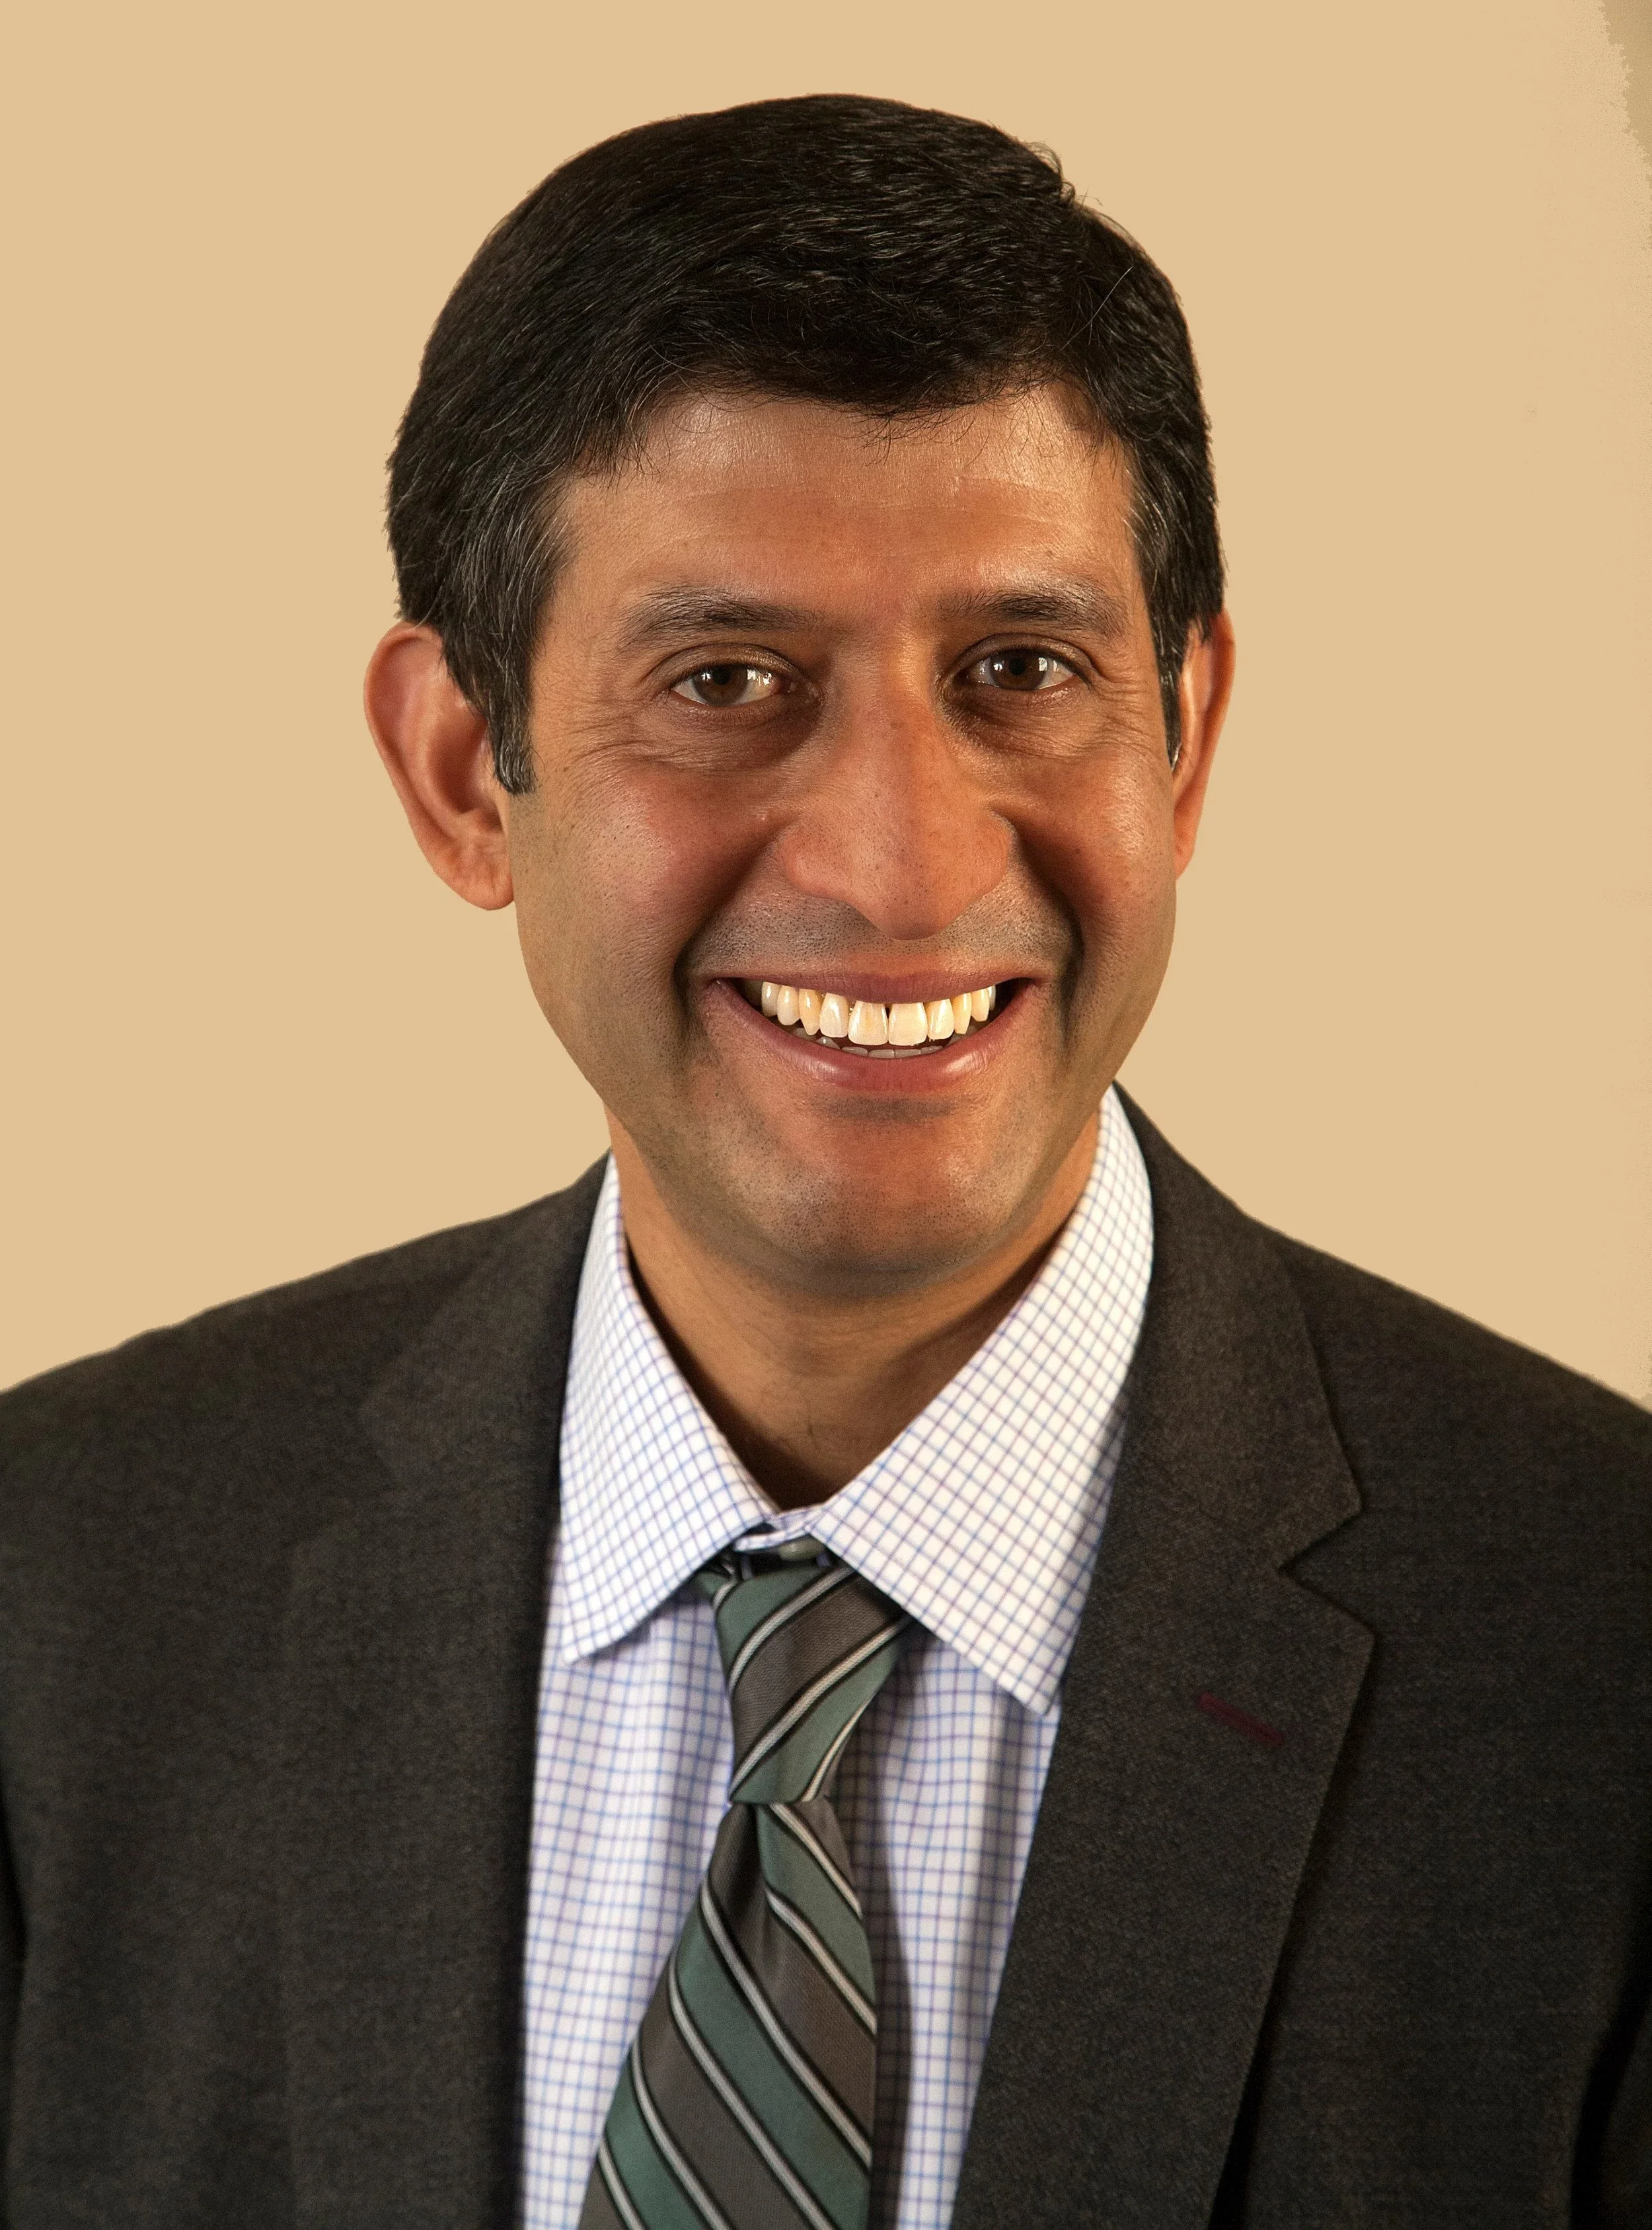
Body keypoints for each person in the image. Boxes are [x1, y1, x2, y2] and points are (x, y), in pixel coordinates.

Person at [1, 91, 1647, 2230]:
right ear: (457, 774)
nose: (900, 861)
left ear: (1188, 728)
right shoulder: (61, 1600)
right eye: (726, 679)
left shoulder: (1605, 1673)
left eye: (1022, 670)